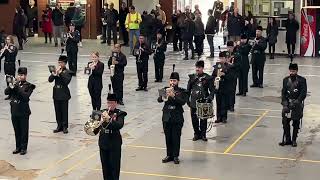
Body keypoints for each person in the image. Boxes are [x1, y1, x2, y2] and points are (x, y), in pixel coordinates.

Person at [158, 67, 188, 164]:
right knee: (168, 137)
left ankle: (175, 156)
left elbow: (182, 102)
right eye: (171, 80)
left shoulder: (182, 91)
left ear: (178, 81)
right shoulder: (165, 89)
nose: (172, 82)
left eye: (174, 80)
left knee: (176, 137)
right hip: (166, 117)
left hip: (177, 117)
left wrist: (174, 96)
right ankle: (169, 155)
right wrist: (164, 96)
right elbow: (159, 100)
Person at [94, 91, 127, 180]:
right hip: (103, 142)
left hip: (114, 143)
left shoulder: (120, 113)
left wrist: (109, 120)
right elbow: (93, 121)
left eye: (112, 103)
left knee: (114, 167)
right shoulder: (102, 112)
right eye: (108, 102)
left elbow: (119, 125)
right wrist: (98, 119)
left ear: (116, 103)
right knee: (105, 167)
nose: (109, 105)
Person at [4, 67, 35, 155]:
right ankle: (18, 147)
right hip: (14, 110)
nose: (20, 76)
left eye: (22, 75)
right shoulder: (15, 84)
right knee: (16, 130)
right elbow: (6, 92)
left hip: (23, 111)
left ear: (25, 75)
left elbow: (25, 96)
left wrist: (17, 86)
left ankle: (24, 148)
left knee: (24, 130)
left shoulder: (29, 86)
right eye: (19, 75)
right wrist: (11, 85)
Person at [279, 63, 307, 147]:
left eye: (294, 71)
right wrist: (285, 104)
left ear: (297, 71)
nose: (292, 73)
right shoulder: (285, 80)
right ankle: (288, 139)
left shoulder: (302, 80)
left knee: (296, 122)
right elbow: (283, 93)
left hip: (296, 105)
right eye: (291, 71)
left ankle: (294, 140)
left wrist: (296, 102)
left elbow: (303, 93)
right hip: (287, 104)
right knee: (285, 122)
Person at [187, 60, 214, 141]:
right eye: (196, 67)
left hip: (203, 102)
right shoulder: (192, 78)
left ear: (202, 68)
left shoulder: (208, 78)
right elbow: (188, 90)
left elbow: (212, 90)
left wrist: (210, 97)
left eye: (199, 68)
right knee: (194, 119)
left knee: (203, 119)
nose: (197, 69)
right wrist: (187, 100)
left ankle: (203, 134)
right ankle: (196, 133)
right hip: (193, 102)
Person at [48, 55, 72, 134]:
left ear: (65, 63)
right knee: (57, 110)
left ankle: (65, 126)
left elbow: (66, 82)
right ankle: (59, 125)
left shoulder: (68, 72)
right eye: (59, 62)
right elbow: (50, 80)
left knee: (64, 110)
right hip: (56, 93)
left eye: (61, 63)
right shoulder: (56, 71)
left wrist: (60, 74)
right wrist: (54, 74)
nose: (59, 64)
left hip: (64, 93)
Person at [212, 52, 231, 123]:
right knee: (218, 102)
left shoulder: (228, 67)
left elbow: (231, 77)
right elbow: (213, 75)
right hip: (218, 87)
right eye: (220, 58)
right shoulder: (217, 67)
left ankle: (224, 117)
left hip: (225, 87)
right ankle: (218, 117)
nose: (221, 60)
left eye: (223, 58)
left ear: (225, 59)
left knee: (224, 103)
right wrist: (214, 79)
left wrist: (224, 74)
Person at [1, 35, 18, 100]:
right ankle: (9, 94)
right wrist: (2, 51)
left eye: (8, 39)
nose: (7, 41)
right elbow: (1, 56)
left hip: (11, 64)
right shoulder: (5, 47)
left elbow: (13, 54)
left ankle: (13, 94)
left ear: (11, 40)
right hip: (6, 65)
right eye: (6, 39)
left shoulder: (14, 47)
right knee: (8, 80)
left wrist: (7, 49)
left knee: (12, 80)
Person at [226, 41, 240, 112]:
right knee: (226, 91)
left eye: (230, 47)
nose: (229, 49)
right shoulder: (225, 54)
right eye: (228, 47)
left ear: (233, 47)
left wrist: (231, 65)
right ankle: (227, 105)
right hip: (226, 76)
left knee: (232, 91)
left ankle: (232, 106)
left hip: (233, 75)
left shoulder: (236, 55)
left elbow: (238, 65)